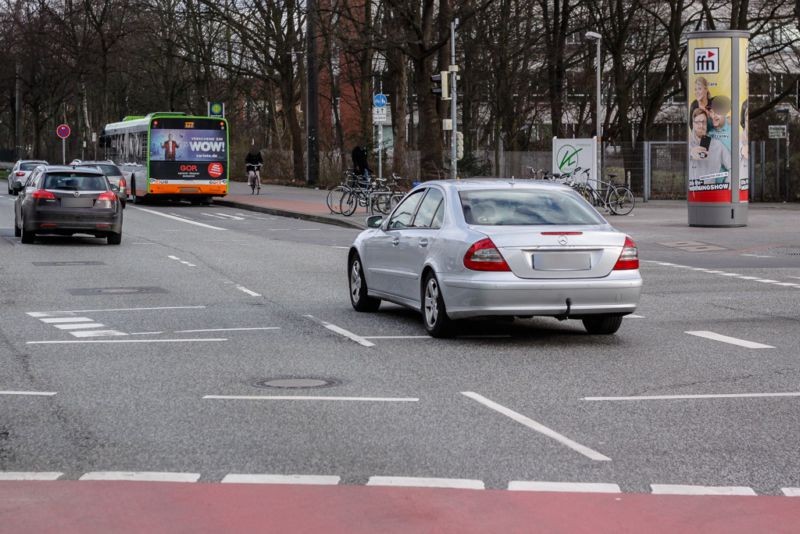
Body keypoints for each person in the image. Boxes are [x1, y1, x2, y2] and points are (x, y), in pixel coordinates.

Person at [689, 108, 731, 191]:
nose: (701, 126)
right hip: (692, 192)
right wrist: (690, 153)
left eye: (703, 122)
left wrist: (726, 186)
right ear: (693, 124)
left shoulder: (717, 145)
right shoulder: (688, 145)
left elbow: (733, 166)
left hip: (711, 192)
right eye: (697, 122)